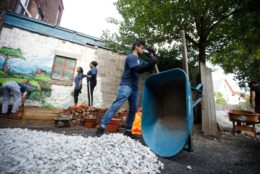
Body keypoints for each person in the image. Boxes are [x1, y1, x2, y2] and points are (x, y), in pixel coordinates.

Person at [96, 40, 158, 137]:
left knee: (133, 109)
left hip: (134, 88)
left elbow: (151, 66)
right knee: (117, 105)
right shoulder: (131, 57)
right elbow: (137, 69)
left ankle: (128, 130)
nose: (143, 49)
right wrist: (151, 62)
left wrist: (153, 54)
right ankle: (102, 126)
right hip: (126, 85)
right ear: (136, 46)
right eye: (142, 47)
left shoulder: (141, 60)